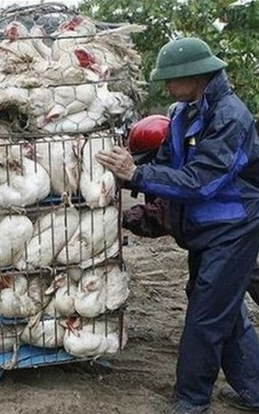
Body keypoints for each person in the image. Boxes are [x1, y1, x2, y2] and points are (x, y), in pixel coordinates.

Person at [96, 37, 259, 413]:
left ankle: (191, 400)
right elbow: (169, 165)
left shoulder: (231, 116)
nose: (166, 86)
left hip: (233, 227)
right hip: (205, 228)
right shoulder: (182, 113)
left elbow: (202, 181)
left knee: (206, 315)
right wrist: (126, 173)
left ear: (195, 76)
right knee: (223, 311)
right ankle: (254, 387)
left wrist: (136, 174)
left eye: (170, 78)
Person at [123, 115, 259, 306]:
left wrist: (123, 218)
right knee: (206, 293)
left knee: (238, 276)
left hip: (228, 228)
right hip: (212, 233)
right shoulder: (173, 166)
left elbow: (165, 214)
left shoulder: (184, 173)